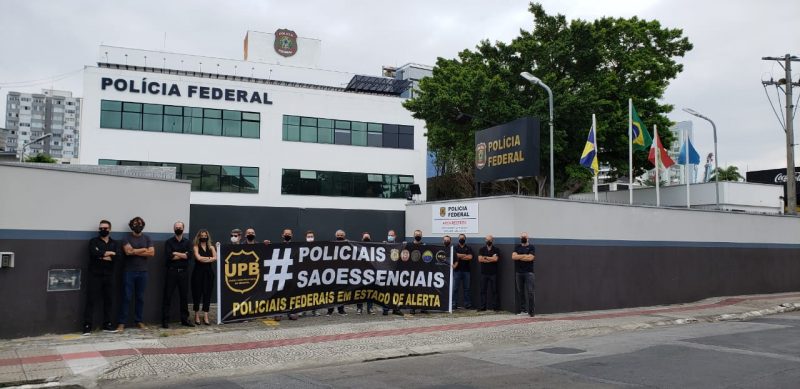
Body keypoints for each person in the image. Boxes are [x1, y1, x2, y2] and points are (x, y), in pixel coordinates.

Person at [117, 216, 155, 332]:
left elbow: (152, 253)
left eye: (139, 223)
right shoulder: (126, 238)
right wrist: (143, 250)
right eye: (135, 223)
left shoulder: (147, 238)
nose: (137, 225)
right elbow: (128, 252)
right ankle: (121, 323)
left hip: (143, 272)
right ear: (131, 225)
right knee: (126, 297)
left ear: (143, 225)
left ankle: (139, 321)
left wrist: (135, 251)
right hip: (129, 271)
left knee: (140, 297)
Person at [83, 219, 120, 335]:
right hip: (95, 275)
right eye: (101, 228)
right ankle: (87, 326)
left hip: (109, 275)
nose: (103, 230)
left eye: (105, 228)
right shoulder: (93, 241)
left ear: (110, 229)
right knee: (91, 301)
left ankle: (107, 324)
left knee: (109, 300)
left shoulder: (114, 243)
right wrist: (109, 254)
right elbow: (94, 254)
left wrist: (102, 254)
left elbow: (117, 257)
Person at [162, 221, 195, 328]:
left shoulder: (188, 242)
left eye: (180, 227)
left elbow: (189, 256)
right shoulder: (168, 242)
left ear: (183, 229)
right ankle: (165, 320)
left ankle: (184, 319)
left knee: (184, 297)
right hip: (171, 272)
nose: (178, 228)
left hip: (184, 272)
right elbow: (169, 257)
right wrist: (182, 254)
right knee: (167, 296)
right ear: (174, 229)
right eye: (176, 227)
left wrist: (175, 253)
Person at [192, 229, 216, 325]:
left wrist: (204, 259)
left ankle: (206, 315)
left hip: (209, 274)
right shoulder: (195, 246)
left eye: (205, 235)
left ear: (207, 236)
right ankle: (196, 314)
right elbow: (198, 258)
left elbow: (215, 258)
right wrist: (210, 259)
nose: (203, 237)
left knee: (207, 294)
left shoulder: (211, 247)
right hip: (197, 273)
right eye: (201, 235)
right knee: (197, 294)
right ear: (199, 237)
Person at [512, 232, 536, 317]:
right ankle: (523, 310)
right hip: (519, 273)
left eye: (525, 237)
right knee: (520, 292)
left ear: (528, 238)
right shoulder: (517, 247)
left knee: (530, 292)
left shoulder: (531, 247)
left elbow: (531, 258)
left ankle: (531, 312)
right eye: (522, 237)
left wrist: (519, 256)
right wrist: (525, 255)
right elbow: (513, 257)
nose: (523, 238)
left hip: (529, 273)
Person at [327, 230, 348, 316]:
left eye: (341, 235)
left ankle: (341, 309)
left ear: (344, 236)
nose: (340, 236)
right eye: (338, 235)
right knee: (331, 292)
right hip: (333, 271)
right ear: (335, 235)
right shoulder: (332, 245)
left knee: (342, 292)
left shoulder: (348, 245)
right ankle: (330, 310)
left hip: (343, 271)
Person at [477, 235, 500, 312]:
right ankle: (483, 307)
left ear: (492, 240)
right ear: (485, 240)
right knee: (483, 291)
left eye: (490, 240)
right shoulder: (482, 249)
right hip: (484, 273)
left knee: (494, 291)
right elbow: (480, 259)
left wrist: (485, 257)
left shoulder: (496, 249)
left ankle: (495, 307)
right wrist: (490, 258)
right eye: (487, 240)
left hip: (493, 273)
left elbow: (495, 259)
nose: (488, 241)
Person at [383, 229, 402, 316]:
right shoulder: (384, 245)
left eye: (391, 235)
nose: (390, 236)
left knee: (396, 291)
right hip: (387, 272)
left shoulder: (398, 245)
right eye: (389, 235)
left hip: (396, 272)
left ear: (395, 236)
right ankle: (385, 309)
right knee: (386, 291)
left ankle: (396, 309)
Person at [453, 233, 473, 310]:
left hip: (466, 271)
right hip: (457, 271)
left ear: (465, 239)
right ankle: (454, 304)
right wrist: (464, 255)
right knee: (455, 289)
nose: (461, 239)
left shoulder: (469, 248)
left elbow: (470, 257)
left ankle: (467, 304)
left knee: (466, 289)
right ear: (458, 239)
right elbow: (455, 255)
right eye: (460, 238)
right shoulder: (455, 247)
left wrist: (459, 256)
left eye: (463, 238)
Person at [301, 230, 320, 317]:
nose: (310, 238)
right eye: (308, 236)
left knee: (314, 292)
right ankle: (303, 310)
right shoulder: (302, 247)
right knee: (303, 292)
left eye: (311, 236)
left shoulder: (318, 247)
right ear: (306, 238)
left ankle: (314, 310)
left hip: (315, 273)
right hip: (304, 273)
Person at [408, 230, 427, 314]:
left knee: (423, 289)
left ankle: (423, 307)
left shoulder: (425, 246)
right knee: (413, 290)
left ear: (421, 236)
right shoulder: (409, 245)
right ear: (413, 236)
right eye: (416, 235)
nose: (418, 236)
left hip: (422, 271)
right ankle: (412, 308)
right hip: (412, 271)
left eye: (419, 235)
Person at [356, 232, 375, 315]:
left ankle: (370, 308)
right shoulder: (357, 247)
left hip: (370, 273)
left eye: (367, 238)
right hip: (360, 273)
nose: (366, 239)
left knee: (370, 291)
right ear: (362, 239)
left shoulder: (374, 248)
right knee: (360, 291)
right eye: (365, 238)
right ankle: (359, 308)